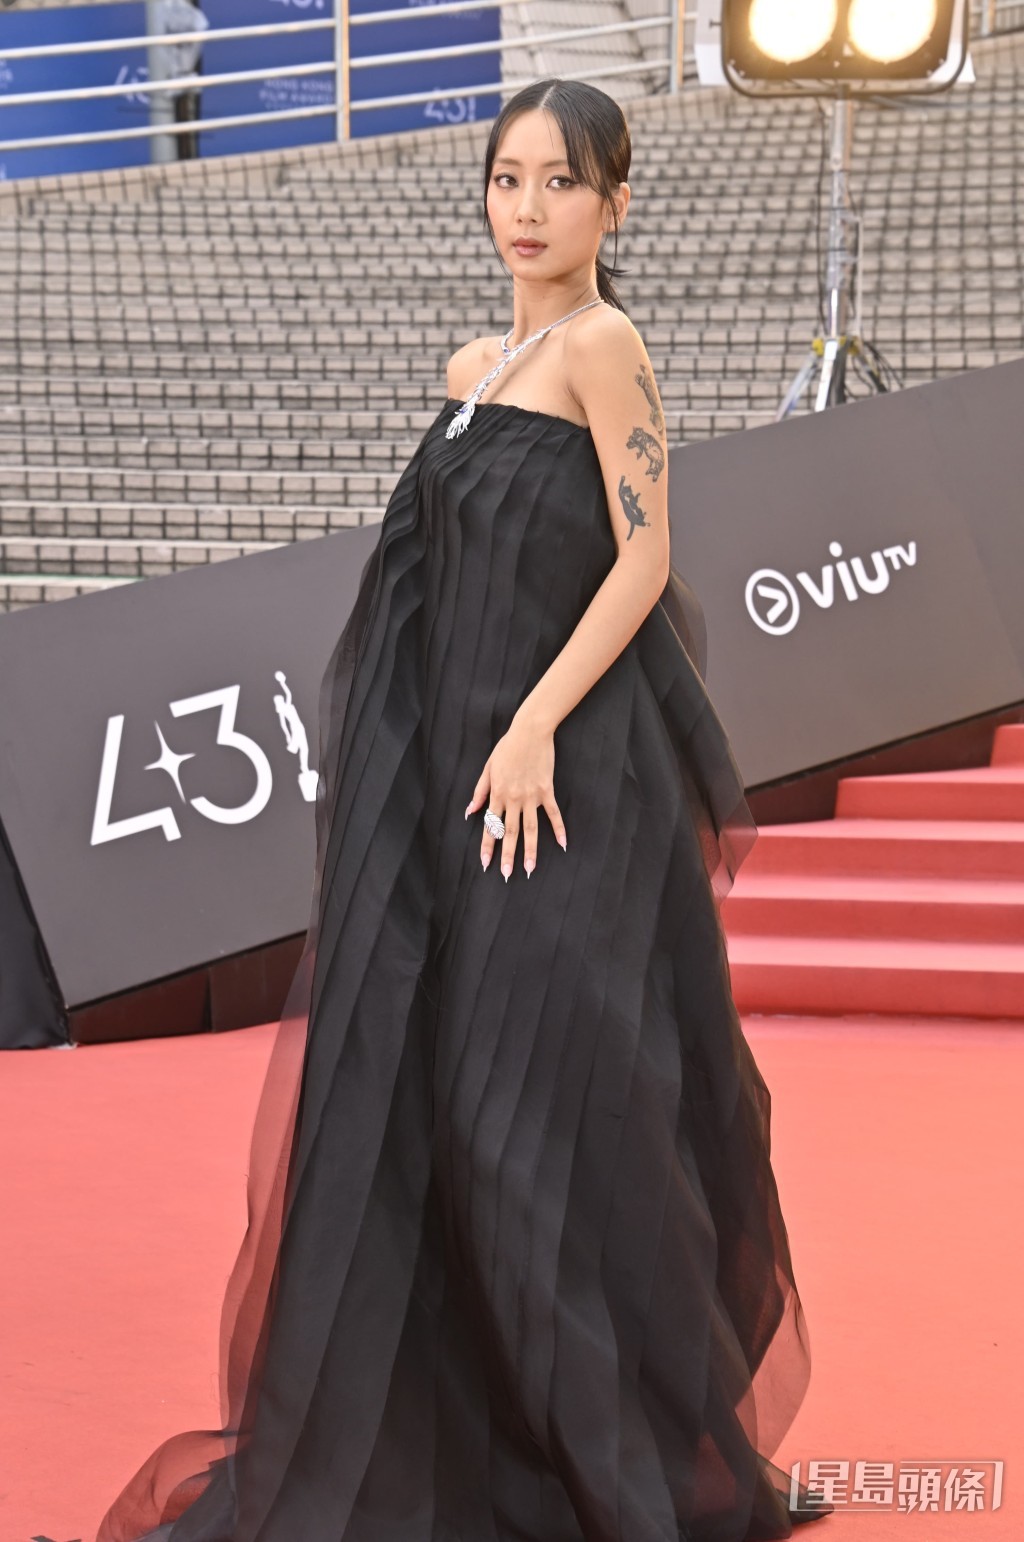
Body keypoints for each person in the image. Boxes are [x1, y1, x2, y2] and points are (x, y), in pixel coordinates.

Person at [94, 78, 833, 1542]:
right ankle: (484, 1443)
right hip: (452, 794)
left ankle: (633, 1452)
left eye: (562, 181)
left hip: (559, 792)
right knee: (437, 1110)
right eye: (508, 178)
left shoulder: (606, 347)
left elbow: (642, 561)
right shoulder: (475, 366)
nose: (529, 208)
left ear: (614, 204)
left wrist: (535, 727)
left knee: (544, 1116)